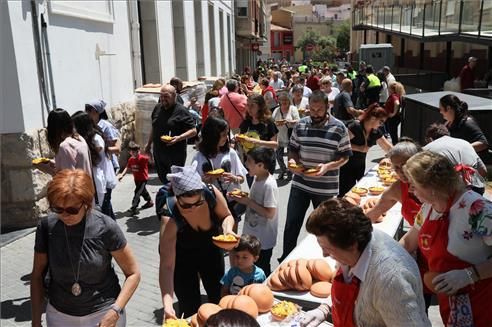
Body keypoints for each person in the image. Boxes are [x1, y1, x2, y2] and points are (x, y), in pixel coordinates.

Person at [30, 169, 140, 327]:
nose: (64, 215)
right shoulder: (47, 227)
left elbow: (133, 273)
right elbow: (37, 275)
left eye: (72, 210)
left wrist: (115, 310)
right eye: (57, 209)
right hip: (59, 315)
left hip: (103, 314)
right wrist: (35, 320)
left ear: (87, 204)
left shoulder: (106, 227)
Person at [301, 198, 431, 327]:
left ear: (351, 245)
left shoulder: (391, 281)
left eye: (328, 249)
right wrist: (325, 309)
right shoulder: (351, 247)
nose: (324, 254)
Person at [400, 151, 492, 326]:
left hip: (483, 301)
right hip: (452, 302)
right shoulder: (429, 207)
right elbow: (408, 241)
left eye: (414, 185)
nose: (410, 190)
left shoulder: (477, 209)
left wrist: (470, 275)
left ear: (432, 186)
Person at [279, 91, 352, 261]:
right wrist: (291, 162)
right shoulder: (301, 125)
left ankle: (327, 260)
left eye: (319, 110)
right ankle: (286, 258)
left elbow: (345, 156)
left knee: (326, 227)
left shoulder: (339, 127)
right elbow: (293, 149)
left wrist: (328, 166)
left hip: (326, 188)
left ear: (328, 107)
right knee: (291, 224)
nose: (315, 114)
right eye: (312, 110)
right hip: (301, 184)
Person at [158, 162, 236, 319]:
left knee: (218, 297)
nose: (193, 208)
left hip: (211, 252)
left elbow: (227, 215)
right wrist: (167, 303)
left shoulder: (211, 194)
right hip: (182, 259)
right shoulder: (170, 219)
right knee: (190, 306)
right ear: (176, 198)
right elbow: (167, 266)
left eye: (198, 203)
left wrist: (228, 230)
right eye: (186, 206)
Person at [231, 147, 279, 276]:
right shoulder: (257, 178)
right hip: (252, 236)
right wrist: (242, 199)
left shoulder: (269, 185)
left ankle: (265, 292)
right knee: (250, 270)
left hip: (263, 241)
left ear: (260, 165)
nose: (245, 164)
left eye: (248, 161)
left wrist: (248, 202)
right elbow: (254, 202)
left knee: (262, 271)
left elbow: (270, 213)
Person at [193, 117, 248, 228]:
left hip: (232, 201)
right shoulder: (199, 157)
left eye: (227, 134)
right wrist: (204, 180)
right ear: (212, 135)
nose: (226, 138)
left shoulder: (231, 153)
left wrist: (234, 178)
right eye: (223, 135)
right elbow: (193, 183)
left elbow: (241, 177)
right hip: (211, 203)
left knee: (231, 236)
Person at [145, 84, 197, 184]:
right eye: (161, 96)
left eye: (166, 96)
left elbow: (193, 131)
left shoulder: (182, 110)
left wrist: (179, 138)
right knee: (164, 181)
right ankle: (167, 199)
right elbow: (154, 127)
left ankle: (176, 199)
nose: (163, 99)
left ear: (174, 96)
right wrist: (148, 146)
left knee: (176, 182)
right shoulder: (157, 108)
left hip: (175, 154)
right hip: (159, 153)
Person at [338, 104, 393, 196]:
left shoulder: (375, 132)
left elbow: (388, 147)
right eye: (381, 122)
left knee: (361, 192)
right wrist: (359, 148)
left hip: (360, 166)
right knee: (346, 194)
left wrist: (400, 157)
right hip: (346, 167)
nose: (381, 125)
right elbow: (341, 144)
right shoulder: (355, 126)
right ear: (373, 118)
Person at [365, 139, 422, 225]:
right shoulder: (397, 189)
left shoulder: (435, 184)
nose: (400, 171)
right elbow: (373, 214)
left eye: (404, 165)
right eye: (396, 167)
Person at [72, 111, 117, 213]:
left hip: (101, 179)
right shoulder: (87, 138)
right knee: (106, 210)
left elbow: (96, 155)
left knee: (104, 212)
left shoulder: (95, 139)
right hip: (98, 179)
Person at [425, 123, 487, 195]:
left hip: (450, 191)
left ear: (429, 139)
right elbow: (483, 170)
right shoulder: (465, 143)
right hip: (475, 188)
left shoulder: (427, 149)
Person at [34, 108, 91, 177]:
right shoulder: (79, 139)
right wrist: (56, 162)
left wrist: (46, 169)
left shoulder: (65, 146)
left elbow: (67, 180)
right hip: (86, 186)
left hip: (76, 187)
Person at [237, 94, 278, 186]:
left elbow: (275, 144)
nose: (249, 108)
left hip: (265, 164)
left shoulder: (268, 122)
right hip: (250, 162)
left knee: (264, 191)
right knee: (253, 191)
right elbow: (241, 140)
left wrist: (256, 142)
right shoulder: (245, 122)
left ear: (260, 106)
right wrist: (238, 139)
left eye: (252, 105)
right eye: (248, 105)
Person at [439, 94, 489, 159]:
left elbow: (483, 143)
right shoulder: (447, 123)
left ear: (448, 108)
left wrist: (460, 150)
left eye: (441, 108)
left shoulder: (467, 122)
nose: (440, 112)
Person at [117, 141, 153, 215]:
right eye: (131, 152)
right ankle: (149, 201)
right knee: (143, 192)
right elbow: (127, 167)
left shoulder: (142, 158)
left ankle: (134, 207)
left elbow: (150, 159)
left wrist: (149, 153)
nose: (133, 154)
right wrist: (122, 175)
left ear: (138, 151)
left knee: (137, 193)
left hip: (143, 179)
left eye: (135, 152)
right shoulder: (131, 159)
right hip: (136, 179)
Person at [272, 92, 300, 179]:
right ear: (279, 101)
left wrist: (289, 122)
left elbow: (298, 121)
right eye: (282, 100)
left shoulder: (293, 109)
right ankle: (283, 170)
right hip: (280, 137)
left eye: (286, 100)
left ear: (289, 101)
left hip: (290, 137)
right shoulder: (276, 110)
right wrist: (276, 123)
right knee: (279, 157)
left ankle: (290, 173)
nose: (284, 102)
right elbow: (272, 121)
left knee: (289, 157)